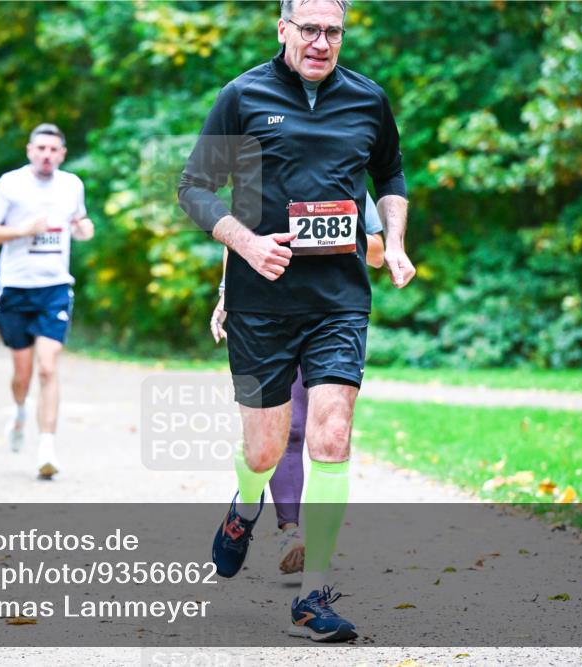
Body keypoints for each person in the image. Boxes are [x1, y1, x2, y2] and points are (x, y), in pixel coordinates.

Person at [179, 0, 416, 643]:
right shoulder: (243, 95)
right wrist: (247, 244)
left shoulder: (368, 99)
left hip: (339, 299)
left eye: (332, 30)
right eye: (308, 28)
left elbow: (389, 173)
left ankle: (314, 593)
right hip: (262, 302)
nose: (320, 41)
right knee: (262, 449)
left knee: (331, 438)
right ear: (283, 29)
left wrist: (392, 242)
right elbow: (195, 187)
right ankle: (243, 505)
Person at [211, 191, 386, 576]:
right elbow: (237, 238)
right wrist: (227, 294)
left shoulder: (349, 177)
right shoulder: (267, 171)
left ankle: (312, 576)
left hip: (331, 316)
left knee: (329, 435)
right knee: (281, 435)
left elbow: (376, 251)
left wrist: (334, 236)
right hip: (269, 316)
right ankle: (272, 522)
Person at [0, 123, 94, 480]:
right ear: (30, 150)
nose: (46, 155)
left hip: (54, 287)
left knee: (48, 366)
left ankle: (47, 448)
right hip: (15, 288)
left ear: (62, 154)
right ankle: (18, 410)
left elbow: (78, 219)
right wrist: (23, 230)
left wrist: (83, 227)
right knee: (22, 373)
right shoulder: (10, 184)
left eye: (53, 150)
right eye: (40, 148)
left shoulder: (72, 185)